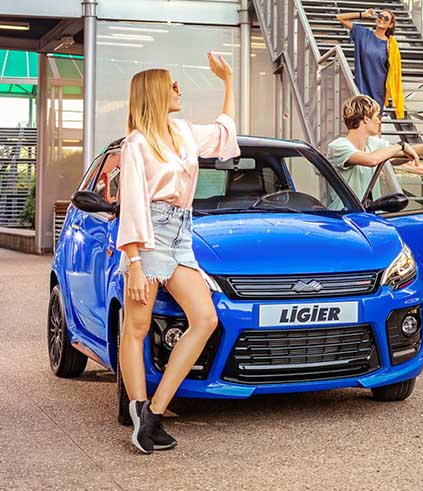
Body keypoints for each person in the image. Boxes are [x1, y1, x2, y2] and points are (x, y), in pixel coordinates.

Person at [116, 54, 239, 453]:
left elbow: (223, 134)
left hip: (182, 233)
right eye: (171, 84)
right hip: (149, 237)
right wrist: (135, 263)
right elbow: (132, 205)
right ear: (154, 92)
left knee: (205, 319)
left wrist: (228, 81)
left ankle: (154, 411)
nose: (178, 89)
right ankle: (138, 410)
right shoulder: (136, 144)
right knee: (136, 328)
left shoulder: (183, 131)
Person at [328, 95, 423, 201]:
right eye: (377, 116)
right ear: (366, 118)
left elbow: (404, 153)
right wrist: (401, 145)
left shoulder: (373, 144)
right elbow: (371, 160)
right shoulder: (338, 146)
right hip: (343, 214)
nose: (379, 121)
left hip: (369, 212)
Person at [335, 8, 405, 119]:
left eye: (386, 18)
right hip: (361, 85)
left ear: (390, 25)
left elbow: (392, 72)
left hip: (378, 90)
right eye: (380, 16)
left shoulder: (390, 45)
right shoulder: (363, 34)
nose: (382, 19)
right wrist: (363, 14)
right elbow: (340, 18)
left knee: (375, 122)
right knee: (360, 121)